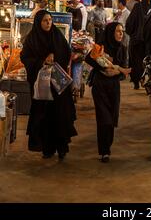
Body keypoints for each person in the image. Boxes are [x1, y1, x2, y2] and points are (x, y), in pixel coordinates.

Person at [20, 10, 77, 160]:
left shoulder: (57, 35)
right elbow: (25, 57)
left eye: (50, 20)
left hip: (58, 86)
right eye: (45, 21)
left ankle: (62, 148)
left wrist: (55, 57)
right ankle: (47, 148)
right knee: (44, 117)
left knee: (60, 115)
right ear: (39, 22)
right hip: (42, 88)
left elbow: (66, 52)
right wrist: (42, 61)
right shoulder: (32, 39)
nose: (48, 23)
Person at [85, 23, 131, 162]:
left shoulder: (122, 48)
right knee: (103, 119)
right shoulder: (101, 46)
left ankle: (107, 147)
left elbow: (124, 71)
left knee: (111, 120)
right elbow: (89, 59)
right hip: (100, 86)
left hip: (113, 88)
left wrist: (116, 72)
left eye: (122, 32)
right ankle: (104, 151)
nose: (120, 34)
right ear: (111, 32)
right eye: (117, 31)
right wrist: (102, 68)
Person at [126, 2, 146, 89]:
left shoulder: (131, 18)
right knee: (141, 62)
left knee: (134, 62)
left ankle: (135, 82)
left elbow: (128, 29)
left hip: (133, 43)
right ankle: (142, 79)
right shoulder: (145, 18)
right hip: (142, 43)